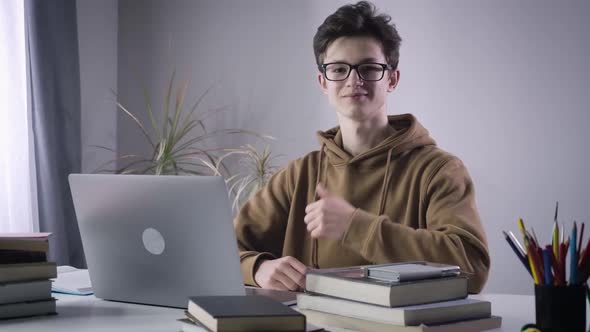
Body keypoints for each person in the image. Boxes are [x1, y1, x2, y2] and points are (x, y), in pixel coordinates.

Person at [234, 1, 490, 294]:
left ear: (392, 79)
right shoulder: (299, 175)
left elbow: (473, 267)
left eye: (368, 68)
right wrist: (258, 269)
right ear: (323, 82)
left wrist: (356, 227)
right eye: (339, 69)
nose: (354, 80)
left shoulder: (438, 170)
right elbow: (225, 248)